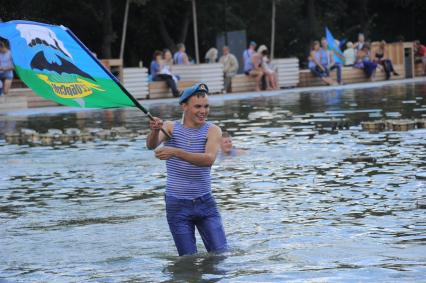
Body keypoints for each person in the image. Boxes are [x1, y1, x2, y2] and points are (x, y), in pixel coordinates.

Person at [146, 83, 228, 256]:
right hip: (177, 206)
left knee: (221, 255)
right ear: (184, 106)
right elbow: (151, 145)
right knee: (188, 261)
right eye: (197, 106)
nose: (203, 111)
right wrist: (154, 131)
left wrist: (175, 151)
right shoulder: (169, 127)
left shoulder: (213, 130)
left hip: (205, 203)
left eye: (206, 106)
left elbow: (208, 160)